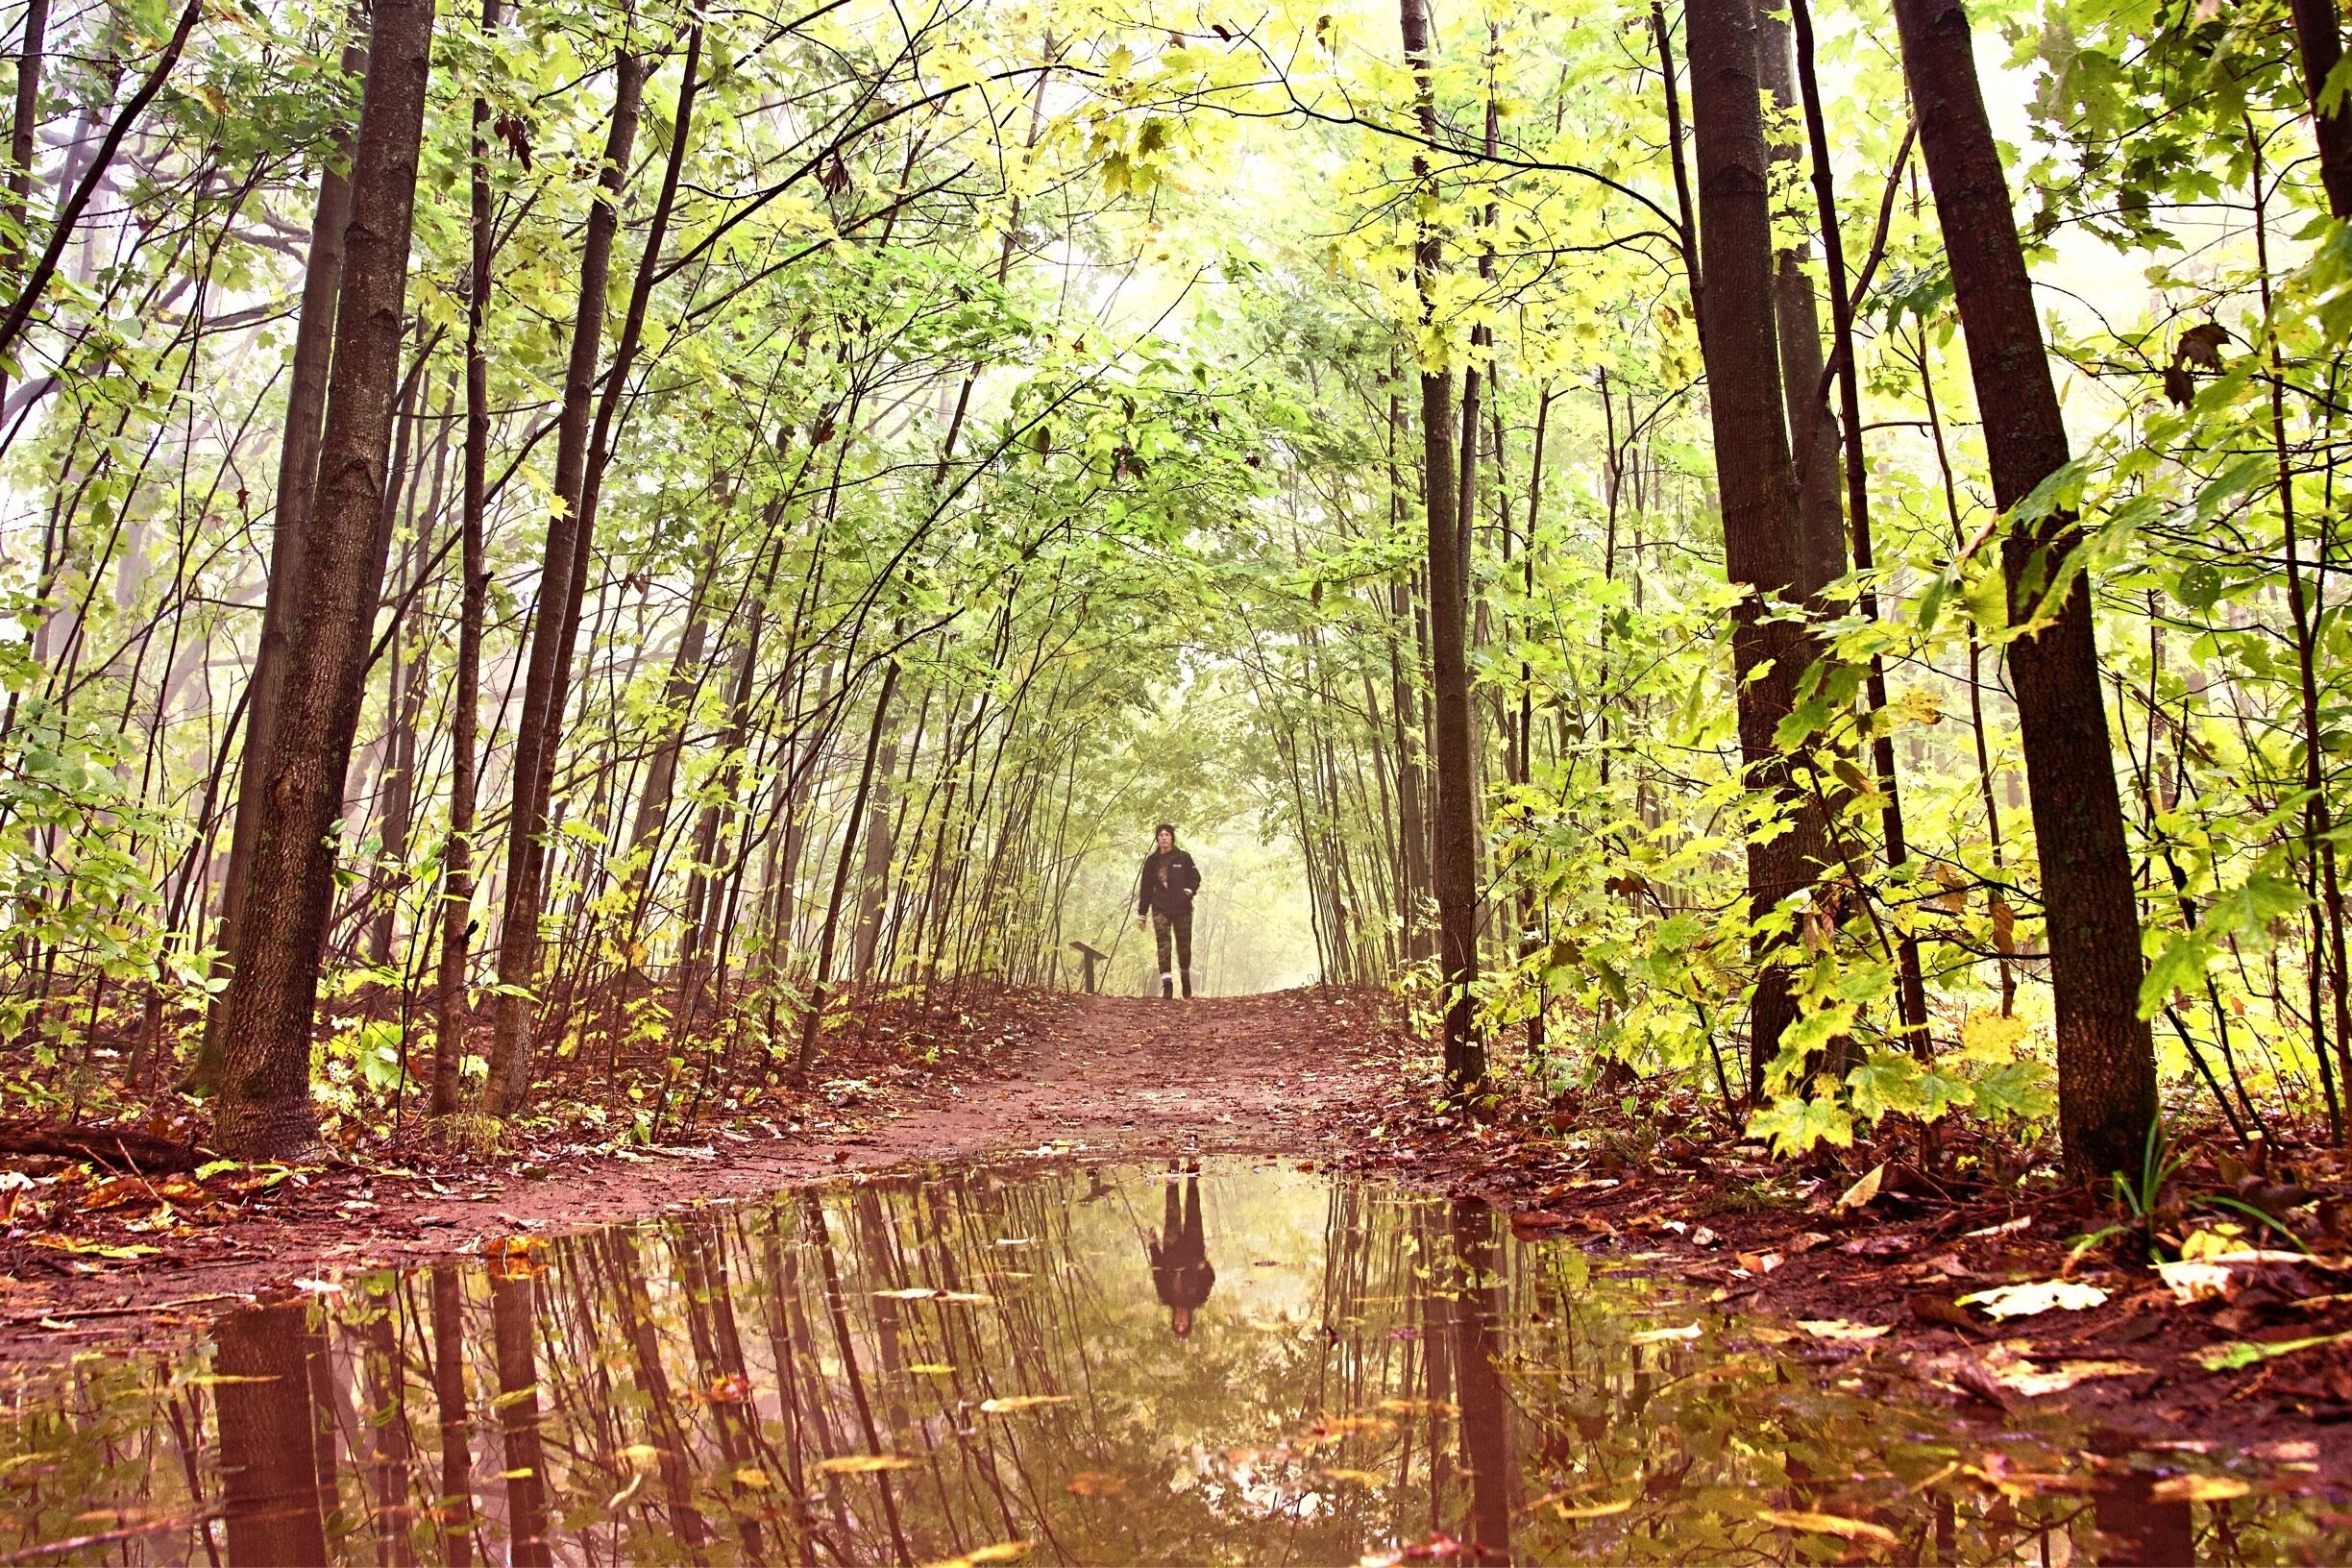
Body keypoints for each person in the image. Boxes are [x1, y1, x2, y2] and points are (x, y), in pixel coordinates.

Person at [1147, 1164, 1214, 1336]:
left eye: (1177, 1322)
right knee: (1193, 1212)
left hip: (1172, 1251)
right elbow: (1210, 1277)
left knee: (1172, 1214)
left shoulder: (1165, 1297)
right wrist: (1203, 1265)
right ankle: (1193, 1175)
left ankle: (1173, 1175)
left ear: (1173, 1319)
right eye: (1183, 1322)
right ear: (1189, 1320)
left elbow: (1158, 1272)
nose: (1180, 1319)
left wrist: (1153, 1245)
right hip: (1193, 1250)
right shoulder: (1199, 1298)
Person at [1136, 822, 1201, 999]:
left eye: (1167, 834)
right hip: (1160, 908)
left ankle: (1185, 979)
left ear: (1172, 837)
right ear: (1157, 839)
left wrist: (1188, 892)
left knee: (1184, 947)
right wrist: (1142, 913)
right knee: (1163, 947)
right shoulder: (1151, 862)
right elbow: (1146, 888)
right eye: (1161, 835)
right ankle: (1168, 986)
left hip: (1182, 908)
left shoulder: (1183, 857)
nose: (1164, 838)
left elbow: (1195, 878)